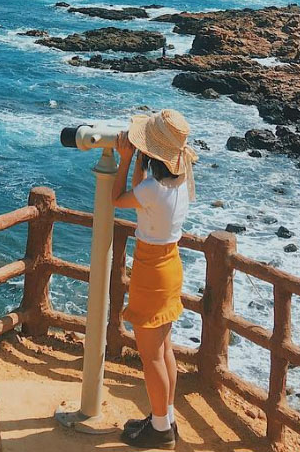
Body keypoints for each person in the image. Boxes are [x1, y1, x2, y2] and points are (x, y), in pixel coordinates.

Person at [112, 109, 198, 449]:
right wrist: (139, 159)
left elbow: (117, 198)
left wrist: (124, 158)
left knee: (151, 357)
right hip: (170, 266)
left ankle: (160, 432)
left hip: (151, 273)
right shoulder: (177, 183)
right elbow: (141, 192)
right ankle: (166, 418)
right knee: (163, 349)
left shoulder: (152, 189)